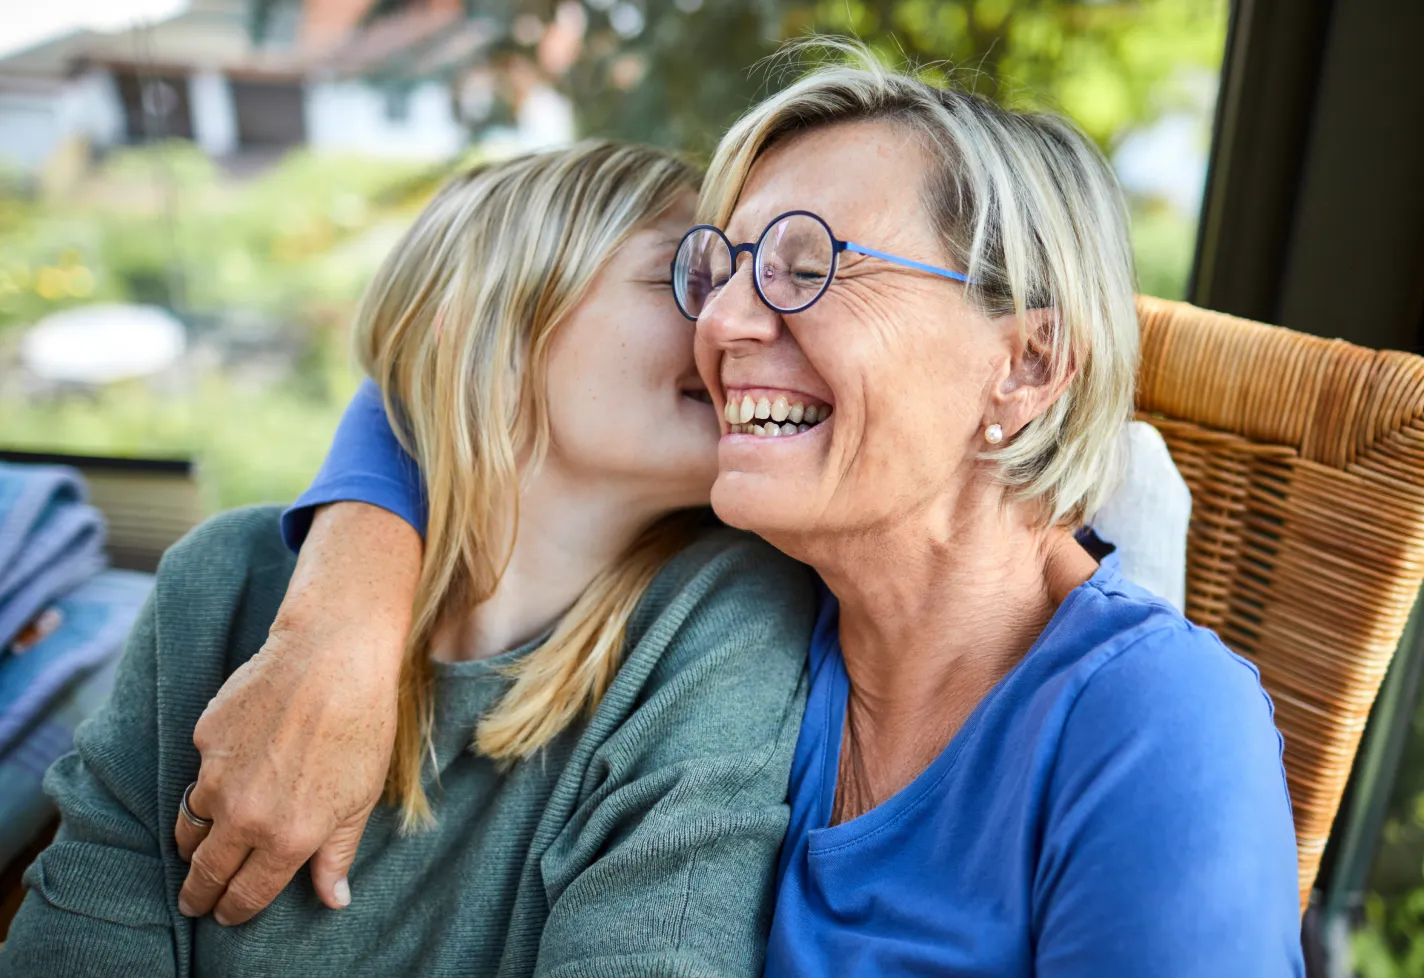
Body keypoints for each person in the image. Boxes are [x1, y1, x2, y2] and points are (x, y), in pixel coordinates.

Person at [168, 46, 1305, 976]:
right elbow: (450, 368)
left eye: (806, 266)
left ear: (1024, 362)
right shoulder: (738, 590)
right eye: (718, 269)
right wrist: (343, 613)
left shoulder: (1156, 726)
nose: (721, 324)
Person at [0, 141, 815, 977]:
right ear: (483, 327)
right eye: (686, 277)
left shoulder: (728, 620)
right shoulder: (220, 587)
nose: (732, 322)